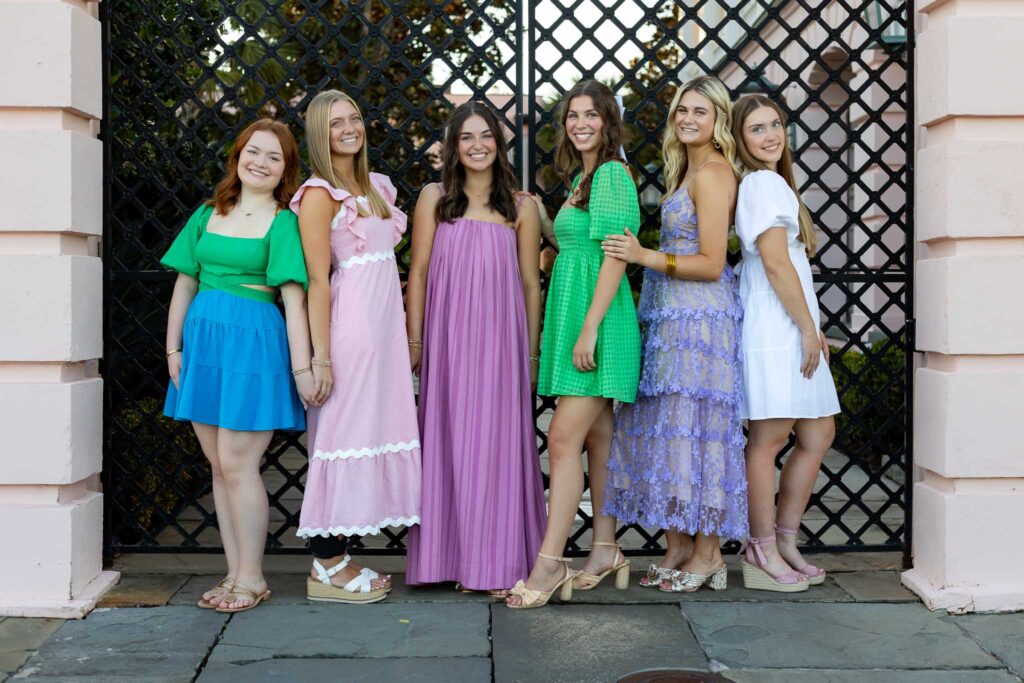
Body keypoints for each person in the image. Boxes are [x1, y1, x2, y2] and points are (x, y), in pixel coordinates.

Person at [601, 76, 747, 593]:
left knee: (698, 429)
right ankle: (679, 545)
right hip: (672, 314)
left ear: (719, 121)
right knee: (673, 428)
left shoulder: (711, 174)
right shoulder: (687, 169)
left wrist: (643, 256)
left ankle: (709, 554)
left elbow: (711, 263)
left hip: (700, 318)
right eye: (681, 109)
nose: (687, 118)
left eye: (700, 112)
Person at [162, 118, 312, 613]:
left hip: (254, 347)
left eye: (274, 157)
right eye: (254, 151)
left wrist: (302, 367)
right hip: (202, 346)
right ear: (238, 155)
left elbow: (293, 298)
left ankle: (253, 577)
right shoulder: (208, 212)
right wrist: (173, 349)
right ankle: (232, 574)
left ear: (286, 169)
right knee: (219, 468)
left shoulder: (284, 221)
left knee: (239, 463)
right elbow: (185, 283)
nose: (261, 162)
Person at [506, 80, 642, 609]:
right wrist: (542, 218)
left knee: (562, 440)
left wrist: (589, 329)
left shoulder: (610, 173)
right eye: (572, 116)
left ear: (608, 123)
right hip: (584, 314)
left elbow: (614, 255)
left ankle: (549, 564)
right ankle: (604, 547)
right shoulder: (585, 179)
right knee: (597, 439)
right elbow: (578, 245)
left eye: (591, 115)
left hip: (598, 322)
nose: (580, 123)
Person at [405, 102, 546, 596]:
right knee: (449, 443)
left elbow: (531, 284)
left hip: (502, 345)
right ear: (453, 146)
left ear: (499, 143)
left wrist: (531, 356)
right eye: (467, 137)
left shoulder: (521, 208)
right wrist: (416, 341)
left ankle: (494, 563)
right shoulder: (433, 198)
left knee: (496, 448)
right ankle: (449, 559)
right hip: (446, 345)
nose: (478, 145)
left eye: (486, 136)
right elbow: (417, 273)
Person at [291, 89, 421, 604]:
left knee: (375, 430)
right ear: (320, 135)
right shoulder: (319, 193)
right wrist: (320, 356)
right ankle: (325, 563)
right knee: (340, 433)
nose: (349, 128)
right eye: (335, 123)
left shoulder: (375, 187)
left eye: (355, 118)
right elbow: (317, 281)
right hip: (351, 331)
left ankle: (340, 555)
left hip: (385, 331)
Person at [731, 94, 841, 592]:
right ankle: (760, 548)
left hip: (795, 326)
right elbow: (775, 262)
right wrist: (803, 327)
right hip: (777, 329)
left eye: (775, 124)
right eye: (756, 128)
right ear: (740, 139)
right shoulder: (760, 182)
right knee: (768, 440)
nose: (771, 135)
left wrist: (810, 326)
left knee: (818, 435)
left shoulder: (775, 183)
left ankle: (785, 537)